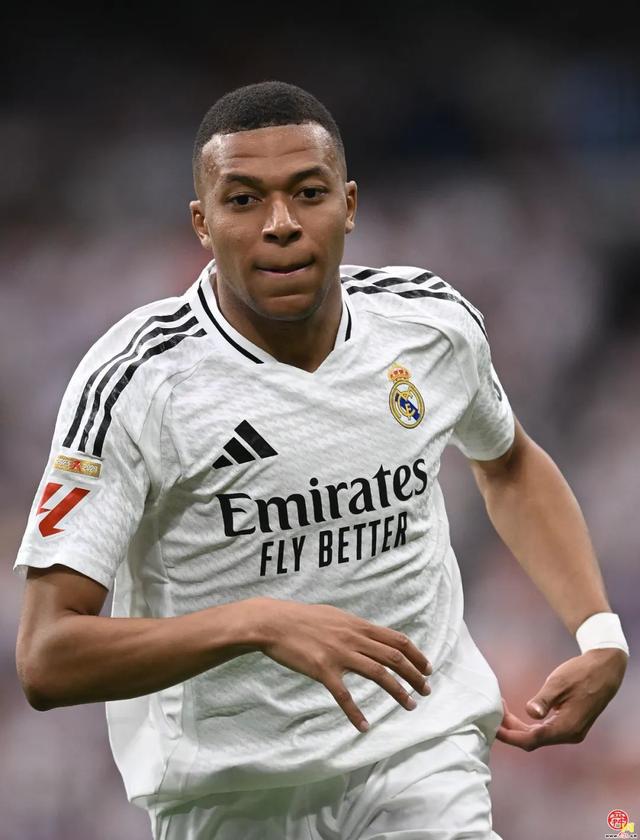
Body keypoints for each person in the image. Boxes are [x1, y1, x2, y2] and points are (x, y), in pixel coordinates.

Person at [14, 81, 628, 840]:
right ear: (202, 223)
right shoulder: (140, 383)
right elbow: (48, 656)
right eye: (244, 200)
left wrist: (599, 631)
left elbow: (508, 464)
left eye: (308, 193)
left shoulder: (428, 326)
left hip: (421, 756)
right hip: (231, 795)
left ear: (350, 205)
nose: (281, 225)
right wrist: (253, 623)